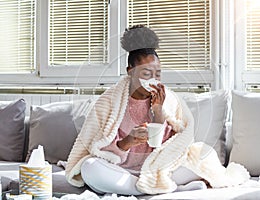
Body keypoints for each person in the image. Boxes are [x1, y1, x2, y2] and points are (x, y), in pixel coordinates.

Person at [65, 25, 250, 195]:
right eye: (146, 73)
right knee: (90, 168)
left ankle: (144, 187)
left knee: (203, 158)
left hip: (160, 167)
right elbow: (96, 147)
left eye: (157, 73)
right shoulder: (109, 100)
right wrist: (127, 142)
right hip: (121, 169)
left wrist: (159, 112)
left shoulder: (167, 98)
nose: (153, 78)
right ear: (130, 71)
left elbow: (172, 145)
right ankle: (166, 189)